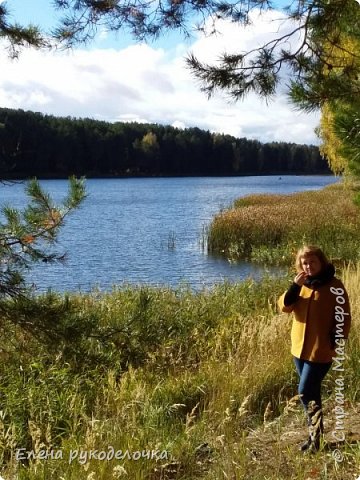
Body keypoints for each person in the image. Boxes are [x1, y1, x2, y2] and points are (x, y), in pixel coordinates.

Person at [278, 245, 351, 452]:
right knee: (311, 394)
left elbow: (343, 318)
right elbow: (284, 307)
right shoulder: (300, 284)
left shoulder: (334, 285)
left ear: (322, 262)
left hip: (321, 350)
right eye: (304, 263)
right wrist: (294, 287)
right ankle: (314, 438)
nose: (308, 266)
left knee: (304, 391)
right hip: (299, 349)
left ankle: (315, 438)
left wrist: (336, 344)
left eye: (312, 262)